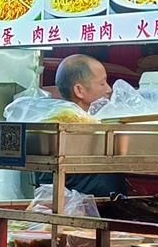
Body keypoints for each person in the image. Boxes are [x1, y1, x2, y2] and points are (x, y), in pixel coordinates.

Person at [51, 54, 125, 197]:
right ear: (79, 90)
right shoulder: (71, 124)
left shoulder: (94, 120)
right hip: (88, 211)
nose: (109, 89)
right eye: (102, 83)